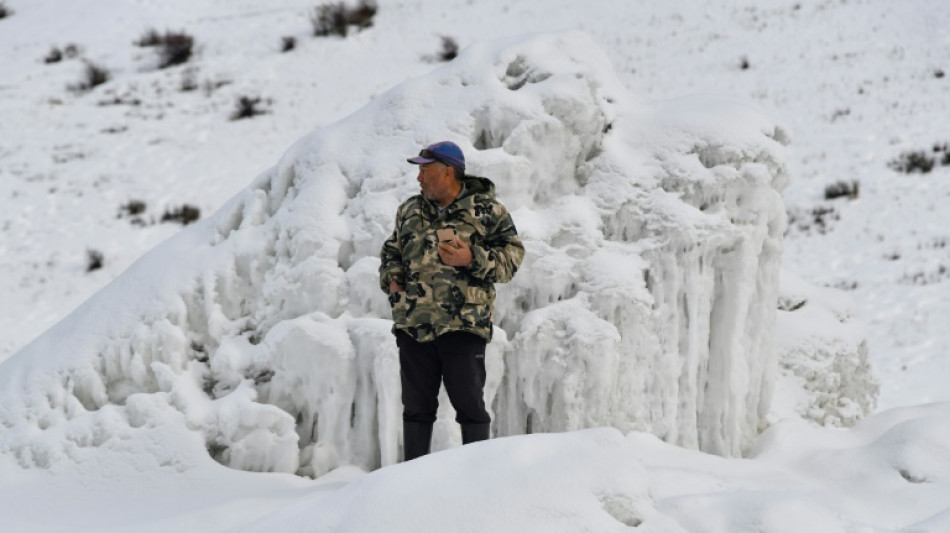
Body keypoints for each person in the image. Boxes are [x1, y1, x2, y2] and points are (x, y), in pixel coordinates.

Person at [379, 140, 525, 461]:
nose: (419, 178)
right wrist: (392, 280)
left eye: (425, 171)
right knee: (416, 410)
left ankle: (477, 478)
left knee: (470, 408)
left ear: (447, 172)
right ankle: (410, 481)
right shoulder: (409, 209)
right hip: (414, 325)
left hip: (463, 326)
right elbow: (392, 251)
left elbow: (512, 258)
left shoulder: (487, 210)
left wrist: (471, 257)